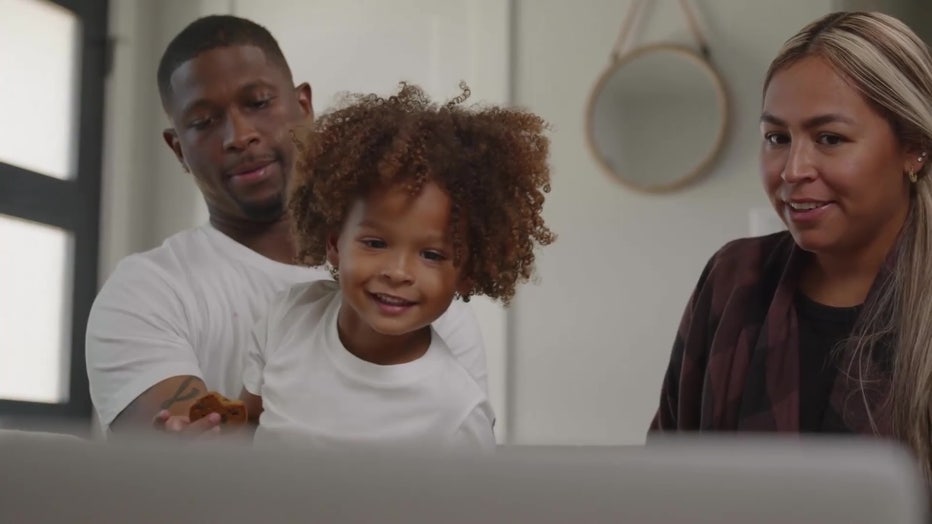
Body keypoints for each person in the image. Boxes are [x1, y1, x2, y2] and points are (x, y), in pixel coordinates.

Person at [85, 15, 490, 436]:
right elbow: (188, 466)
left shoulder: (420, 300)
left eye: (258, 103)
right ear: (178, 149)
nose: (238, 136)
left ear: (303, 107)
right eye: (203, 122)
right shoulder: (147, 291)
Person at [650, 11, 932, 480]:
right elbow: (666, 476)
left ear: (914, 148)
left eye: (829, 138)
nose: (792, 169)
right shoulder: (733, 279)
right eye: (777, 138)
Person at [239, 82, 555, 451]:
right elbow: (243, 429)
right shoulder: (288, 318)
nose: (398, 272)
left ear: (468, 274)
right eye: (375, 243)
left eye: (432, 255)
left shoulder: (457, 417)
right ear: (333, 242)